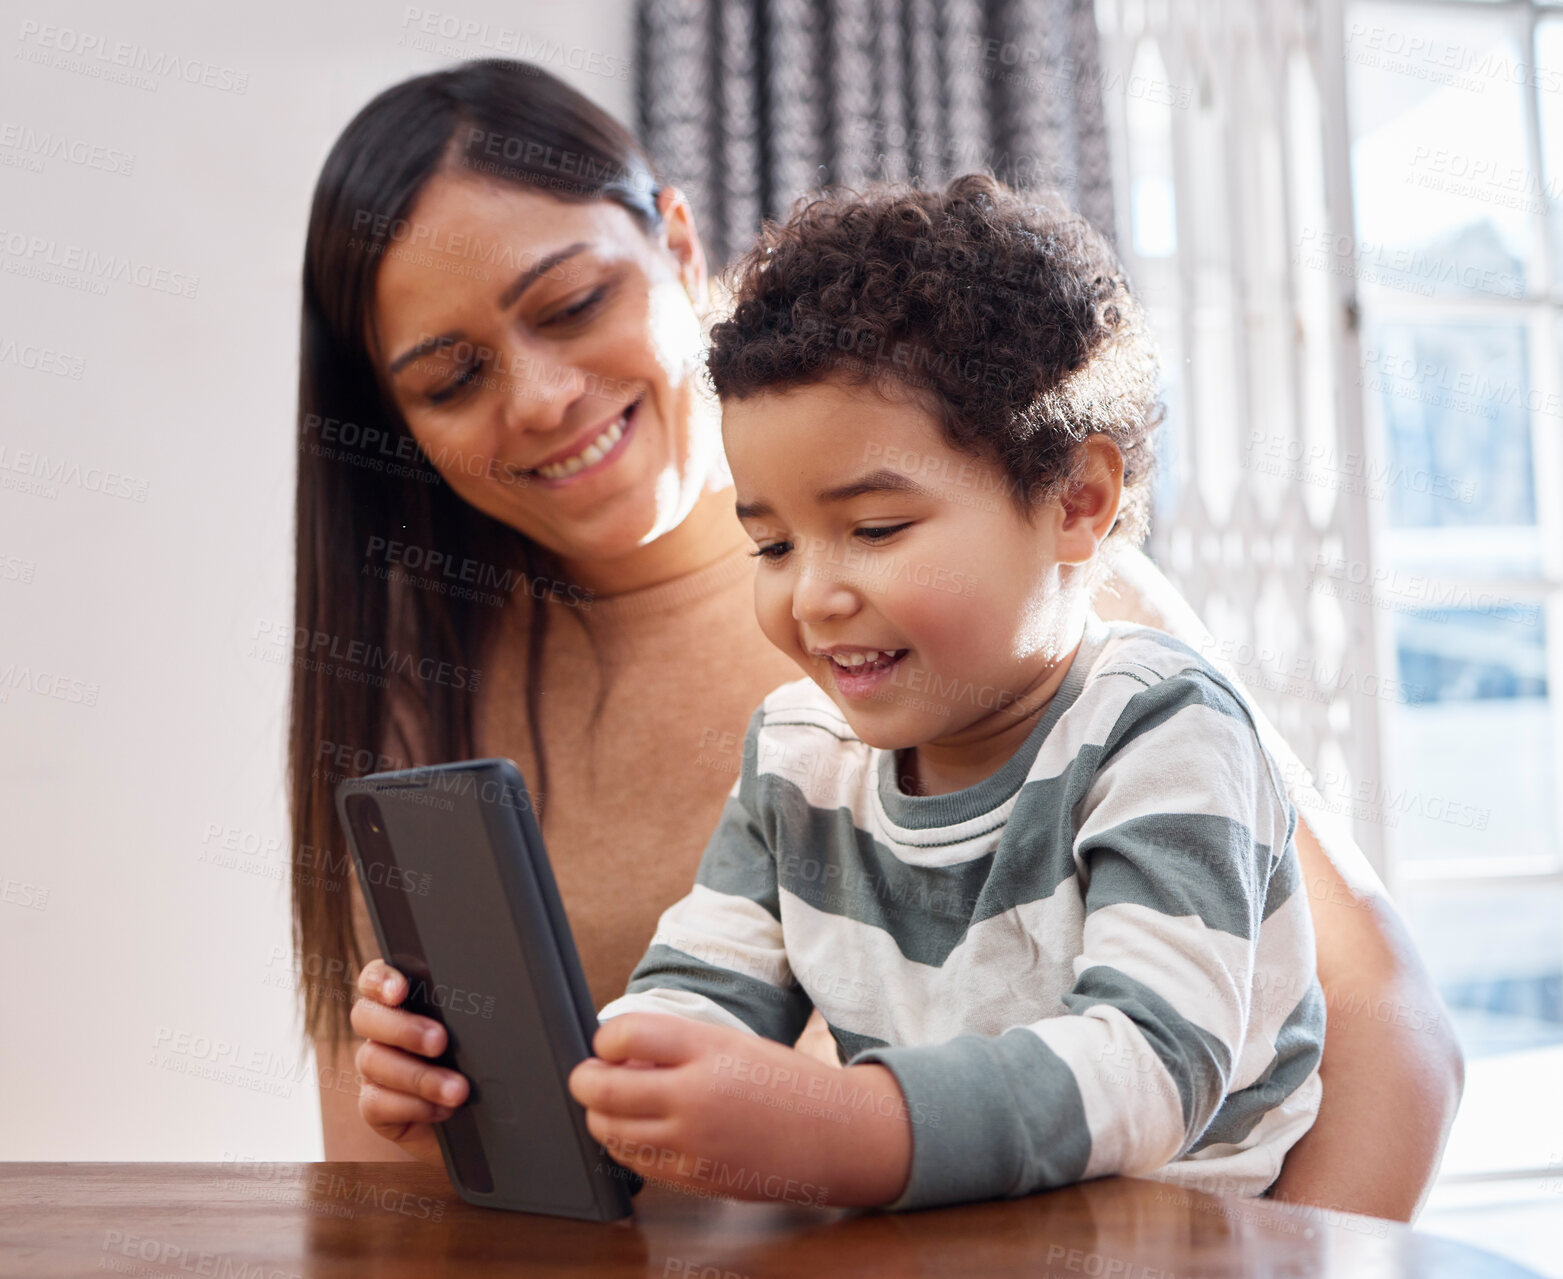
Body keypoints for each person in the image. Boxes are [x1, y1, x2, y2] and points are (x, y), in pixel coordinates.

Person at [293, 59, 1461, 1220]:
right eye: (451, 378)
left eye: (572, 304)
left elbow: (1368, 1034)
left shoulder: (1094, 650)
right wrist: (485, 1093)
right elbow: (672, 1011)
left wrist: (850, 1125)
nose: (542, 396)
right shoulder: (781, 733)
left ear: (679, 246)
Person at [563, 175, 1325, 1210]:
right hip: (937, 1234)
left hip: (1177, 1240)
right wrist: (568, 1080)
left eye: (874, 529)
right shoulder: (799, 749)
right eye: (772, 543)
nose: (814, 593)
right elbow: (700, 996)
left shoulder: (1160, 727)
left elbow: (1151, 1065)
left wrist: (849, 1125)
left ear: (1076, 501)